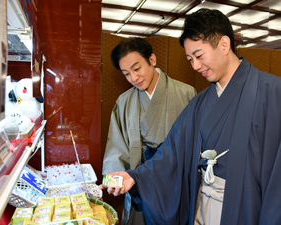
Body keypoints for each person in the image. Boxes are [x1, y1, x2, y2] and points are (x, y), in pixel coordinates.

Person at [100, 8, 281, 225]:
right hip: (203, 205)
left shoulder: (273, 94)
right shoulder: (200, 103)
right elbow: (172, 152)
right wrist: (137, 176)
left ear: (224, 45)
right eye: (190, 59)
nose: (195, 66)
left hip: (249, 207)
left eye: (199, 56)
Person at [102, 37, 196, 225]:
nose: (134, 78)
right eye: (126, 73)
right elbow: (117, 145)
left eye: (137, 69)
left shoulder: (186, 93)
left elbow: (192, 145)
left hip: (173, 185)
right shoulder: (124, 101)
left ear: (152, 60)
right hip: (139, 185)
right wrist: (115, 179)